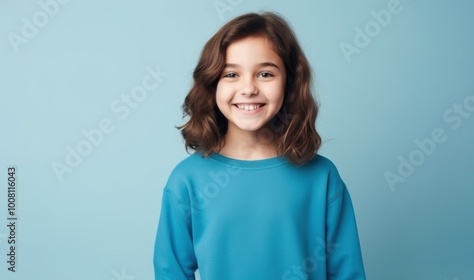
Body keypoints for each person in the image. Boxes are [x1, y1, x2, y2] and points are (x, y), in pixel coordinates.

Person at [153, 11, 366, 280]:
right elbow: (171, 272)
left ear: (289, 83)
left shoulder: (322, 177)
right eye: (231, 74)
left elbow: (347, 272)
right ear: (212, 83)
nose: (248, 88)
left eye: (265, 74)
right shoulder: (186, 180)